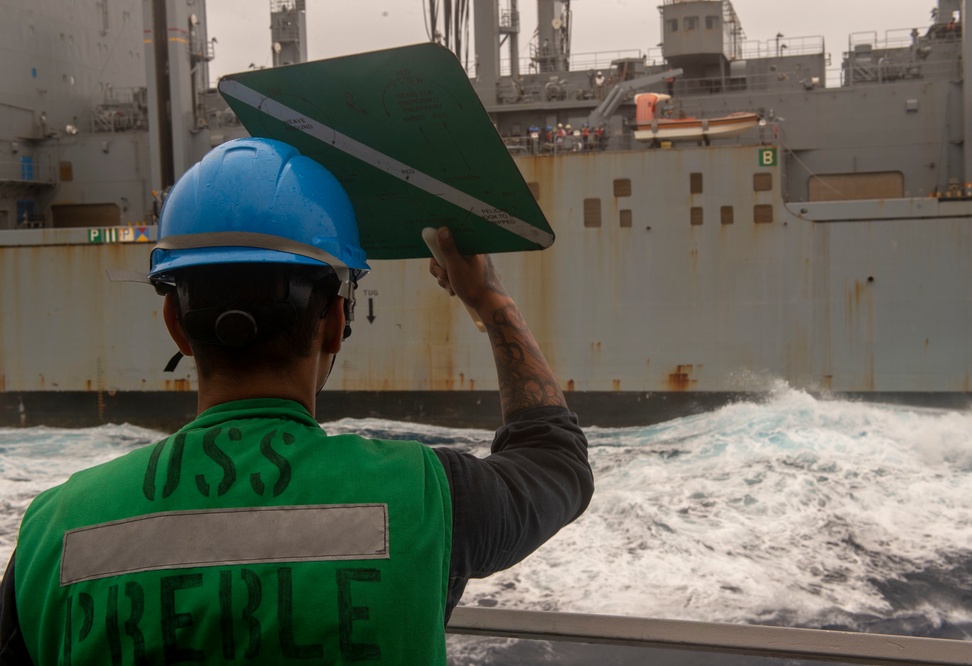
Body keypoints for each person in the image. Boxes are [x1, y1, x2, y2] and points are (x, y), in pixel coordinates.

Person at [0, 138, 593, 663]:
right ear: (335, 321)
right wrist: (492, 304)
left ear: (175, 324)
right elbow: (556, 462)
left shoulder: (52, 532)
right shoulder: (425, 499)